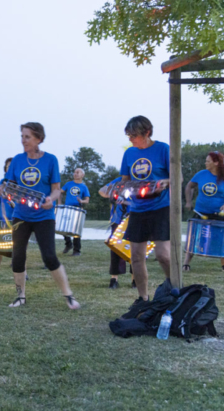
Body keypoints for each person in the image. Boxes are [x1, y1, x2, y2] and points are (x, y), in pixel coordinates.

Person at [3, 122, 79, 309]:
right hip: (21, 215)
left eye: (27, 136)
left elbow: (56, 190)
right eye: (22, 136)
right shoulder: (18, 161)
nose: (23, 140)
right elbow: (8, 185)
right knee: (18, 256)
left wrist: (50, 199)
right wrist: (4, 191)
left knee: (49, 257)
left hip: (44, 216)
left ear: (39, 139)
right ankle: (20, 296)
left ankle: (68, 295)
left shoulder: (50, 160)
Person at [119, 116, 170, 307]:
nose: (131, 139)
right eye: (129, 136)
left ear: (147, 132)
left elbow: (177, 177)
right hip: (138, 208)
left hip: (160, 207)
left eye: (134, 135)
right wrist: (118, 192)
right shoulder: (130, 154)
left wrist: (165, 183)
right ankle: (143, 299)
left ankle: (175, 290)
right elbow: (124, 180)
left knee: (163, 255)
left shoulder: (163, 149)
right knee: (137, 257)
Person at [184, 151, 224, 272]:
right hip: (200, 212)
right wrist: (188, 201)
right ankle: (186, 263)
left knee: (221, 238)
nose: (205, 163)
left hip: (219, 213)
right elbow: (189, 186)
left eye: (208, 161)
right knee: (194, 237)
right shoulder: (202, 174)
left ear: (216, 162)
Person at [98, 177, 133, 289]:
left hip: (135, 218)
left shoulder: (139, 181)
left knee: (136, 248)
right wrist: (113, 195)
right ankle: (114, 279)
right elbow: (101, 191)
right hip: (117, 219)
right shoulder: (118, 181)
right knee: (115, 248)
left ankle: (136, 279)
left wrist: (126, 201)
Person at [59, 168, 90, 256]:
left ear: (82, 175)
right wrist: (60, 203)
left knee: (76, 231)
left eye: (78, 172)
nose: (75, 174)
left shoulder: (84, 187)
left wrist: (82, 201)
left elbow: (87, 200)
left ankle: (77, 251)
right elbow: (60, 192)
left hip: (77, 209)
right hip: (67, 208)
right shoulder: (69, 184)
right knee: (63, 228)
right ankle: (68, 244)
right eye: (74, 172)